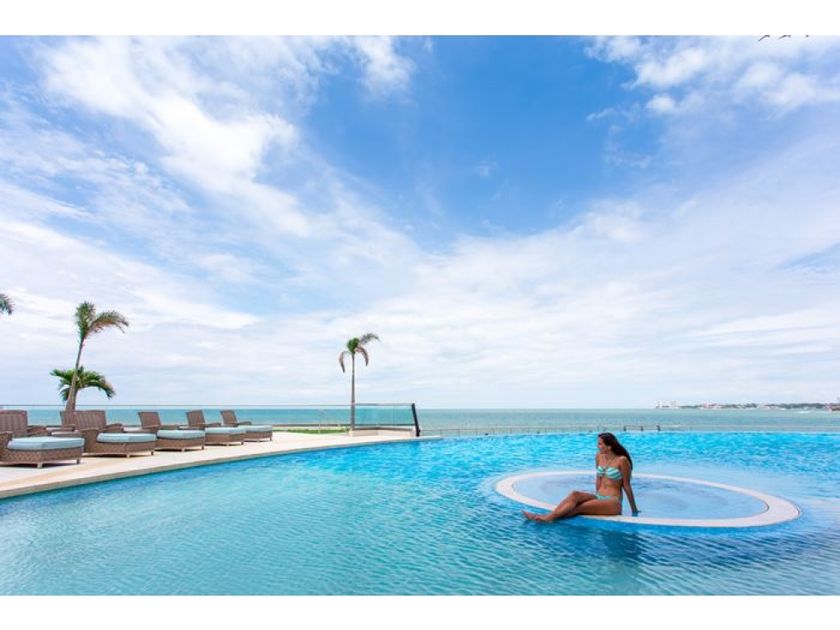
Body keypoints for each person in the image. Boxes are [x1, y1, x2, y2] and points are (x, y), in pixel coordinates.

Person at [523, 432, 639, 522]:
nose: (597, 446)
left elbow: (627, 486)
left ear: (609, 446)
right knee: (575, 494)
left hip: (613, 501)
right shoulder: (599, 456)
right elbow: (598, 479)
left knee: (580, 507)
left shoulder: (622, 460)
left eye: (600, 444)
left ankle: (547, 518)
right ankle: (547, 517)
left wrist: (634, 509)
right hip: (599, 497)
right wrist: (596, 498)